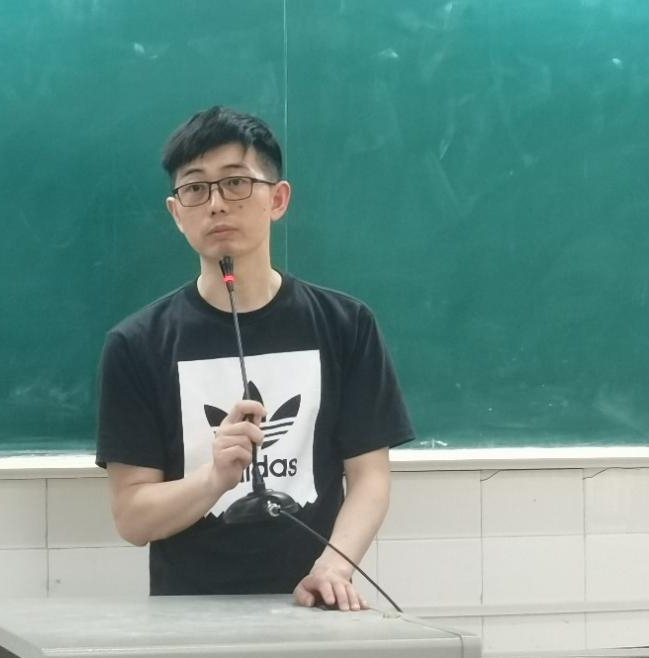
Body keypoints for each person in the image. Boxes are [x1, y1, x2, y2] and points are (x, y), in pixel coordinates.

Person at [96, 106, 414, 611]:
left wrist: (333, 568)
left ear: (278, 199)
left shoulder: (346, 326)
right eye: (195, 188)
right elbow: (133, 518)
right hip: (186, 621)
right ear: (177, 213)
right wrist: (215, 479)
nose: (216, 204)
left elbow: (370, 478)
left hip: (312, 608)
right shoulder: (136, 344)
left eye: (236, 182)